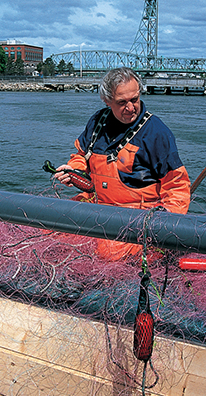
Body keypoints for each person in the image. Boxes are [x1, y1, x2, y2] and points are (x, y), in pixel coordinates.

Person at [54, 67, 190, 260]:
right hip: (96, 205)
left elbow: (177, 187)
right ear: (106, 100)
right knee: (52, 228)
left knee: (105, 253)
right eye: (122, 102)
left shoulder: (157, 133)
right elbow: (81, 155)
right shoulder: (97, 122)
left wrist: (163, 225)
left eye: (134, 99)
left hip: (136, 217)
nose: (131, 108)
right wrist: (74, 171)